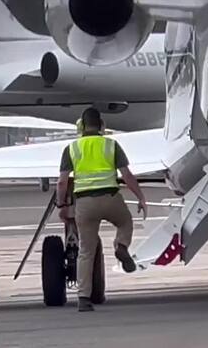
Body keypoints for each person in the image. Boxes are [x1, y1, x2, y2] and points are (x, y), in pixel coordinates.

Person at [56, 108, 147, 312]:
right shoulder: (111, 145)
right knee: (125, 222)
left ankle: (83, 299)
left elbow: (62, 182)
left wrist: (62, 205)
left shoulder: (72, 148)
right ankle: (121, 246)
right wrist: (140, 197)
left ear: (81, 127)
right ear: (103, 126)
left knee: (85, 252)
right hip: (111, 198)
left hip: (84, 204)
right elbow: (127, 175)